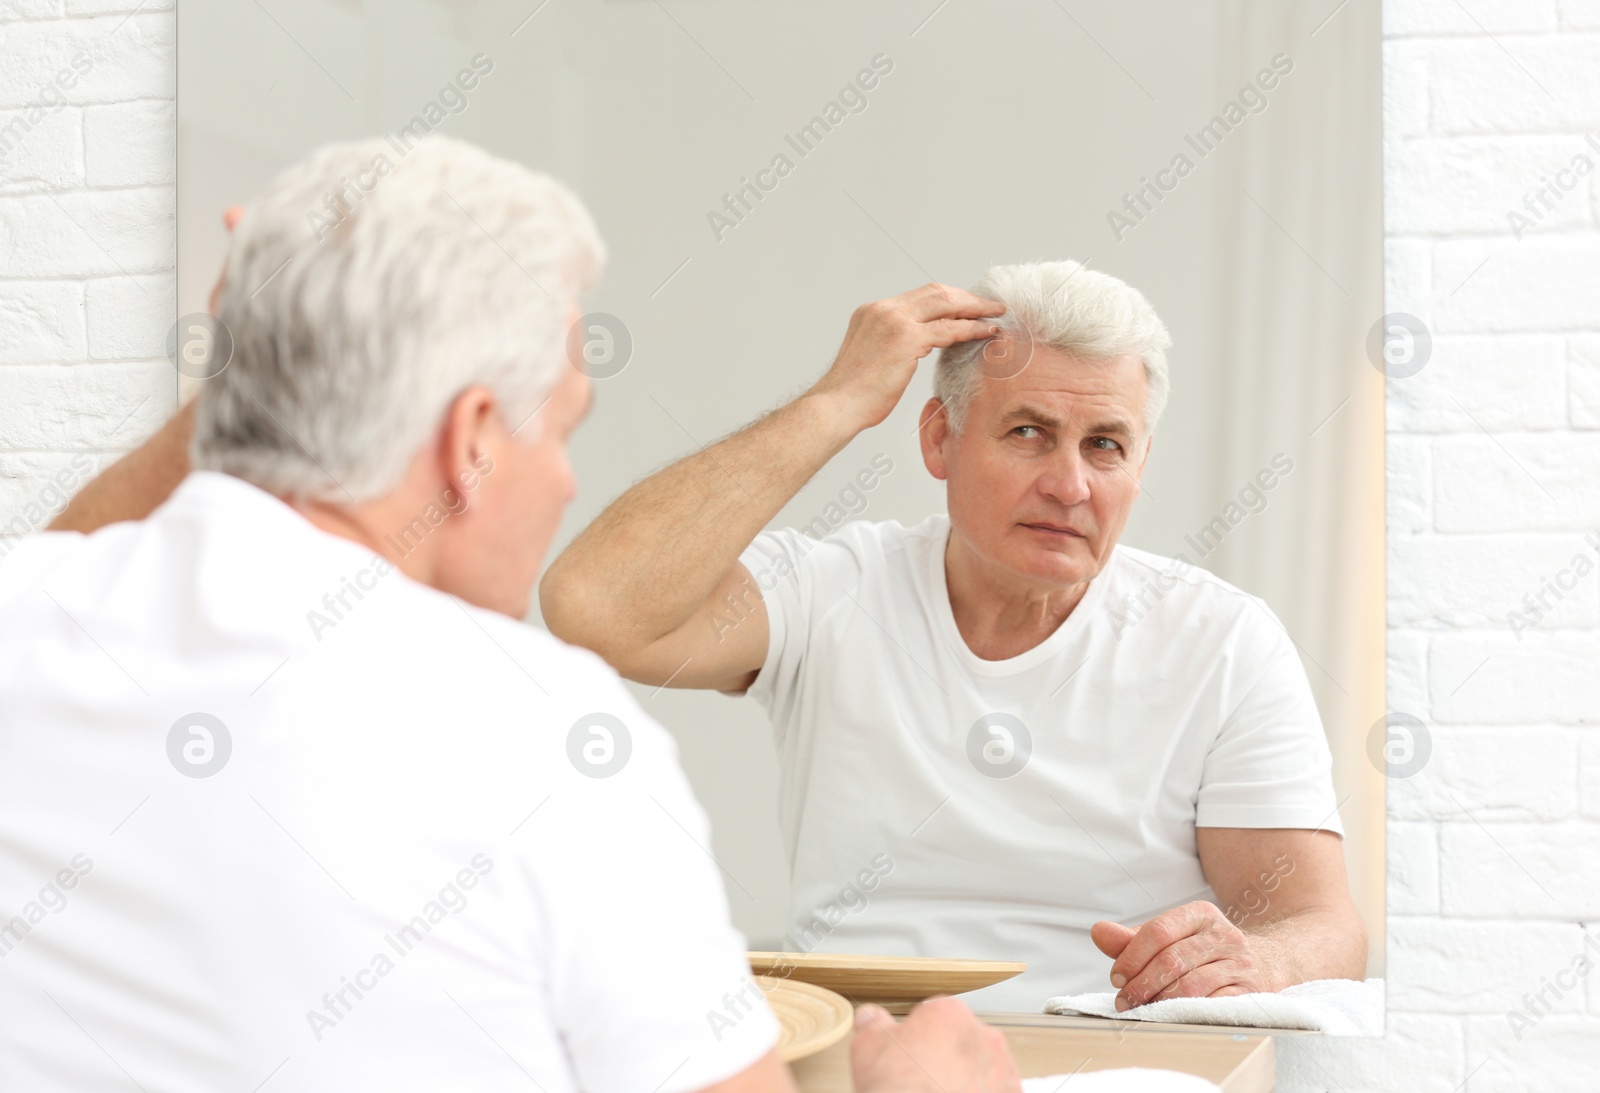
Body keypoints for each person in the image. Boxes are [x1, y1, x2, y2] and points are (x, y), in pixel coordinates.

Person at [1, 135, 1021, 1092]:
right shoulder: (542, 733)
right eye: (563, 428)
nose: (569, 483)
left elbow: (71, 555)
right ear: (473, 439)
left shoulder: (30, 619)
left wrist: (272, 350)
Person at [536, 264, 1369, 1012]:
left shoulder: (1221, 641)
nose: (1070, 483)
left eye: (1105, 445)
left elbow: (1318, 923)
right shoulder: (834, 589)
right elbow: (593, 607)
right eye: (1029, 432)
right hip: (859, 1052)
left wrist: (1256, 956)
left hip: (1105, 1058)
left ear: (1139, 466)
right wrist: (836, 401)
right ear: (940, 438)